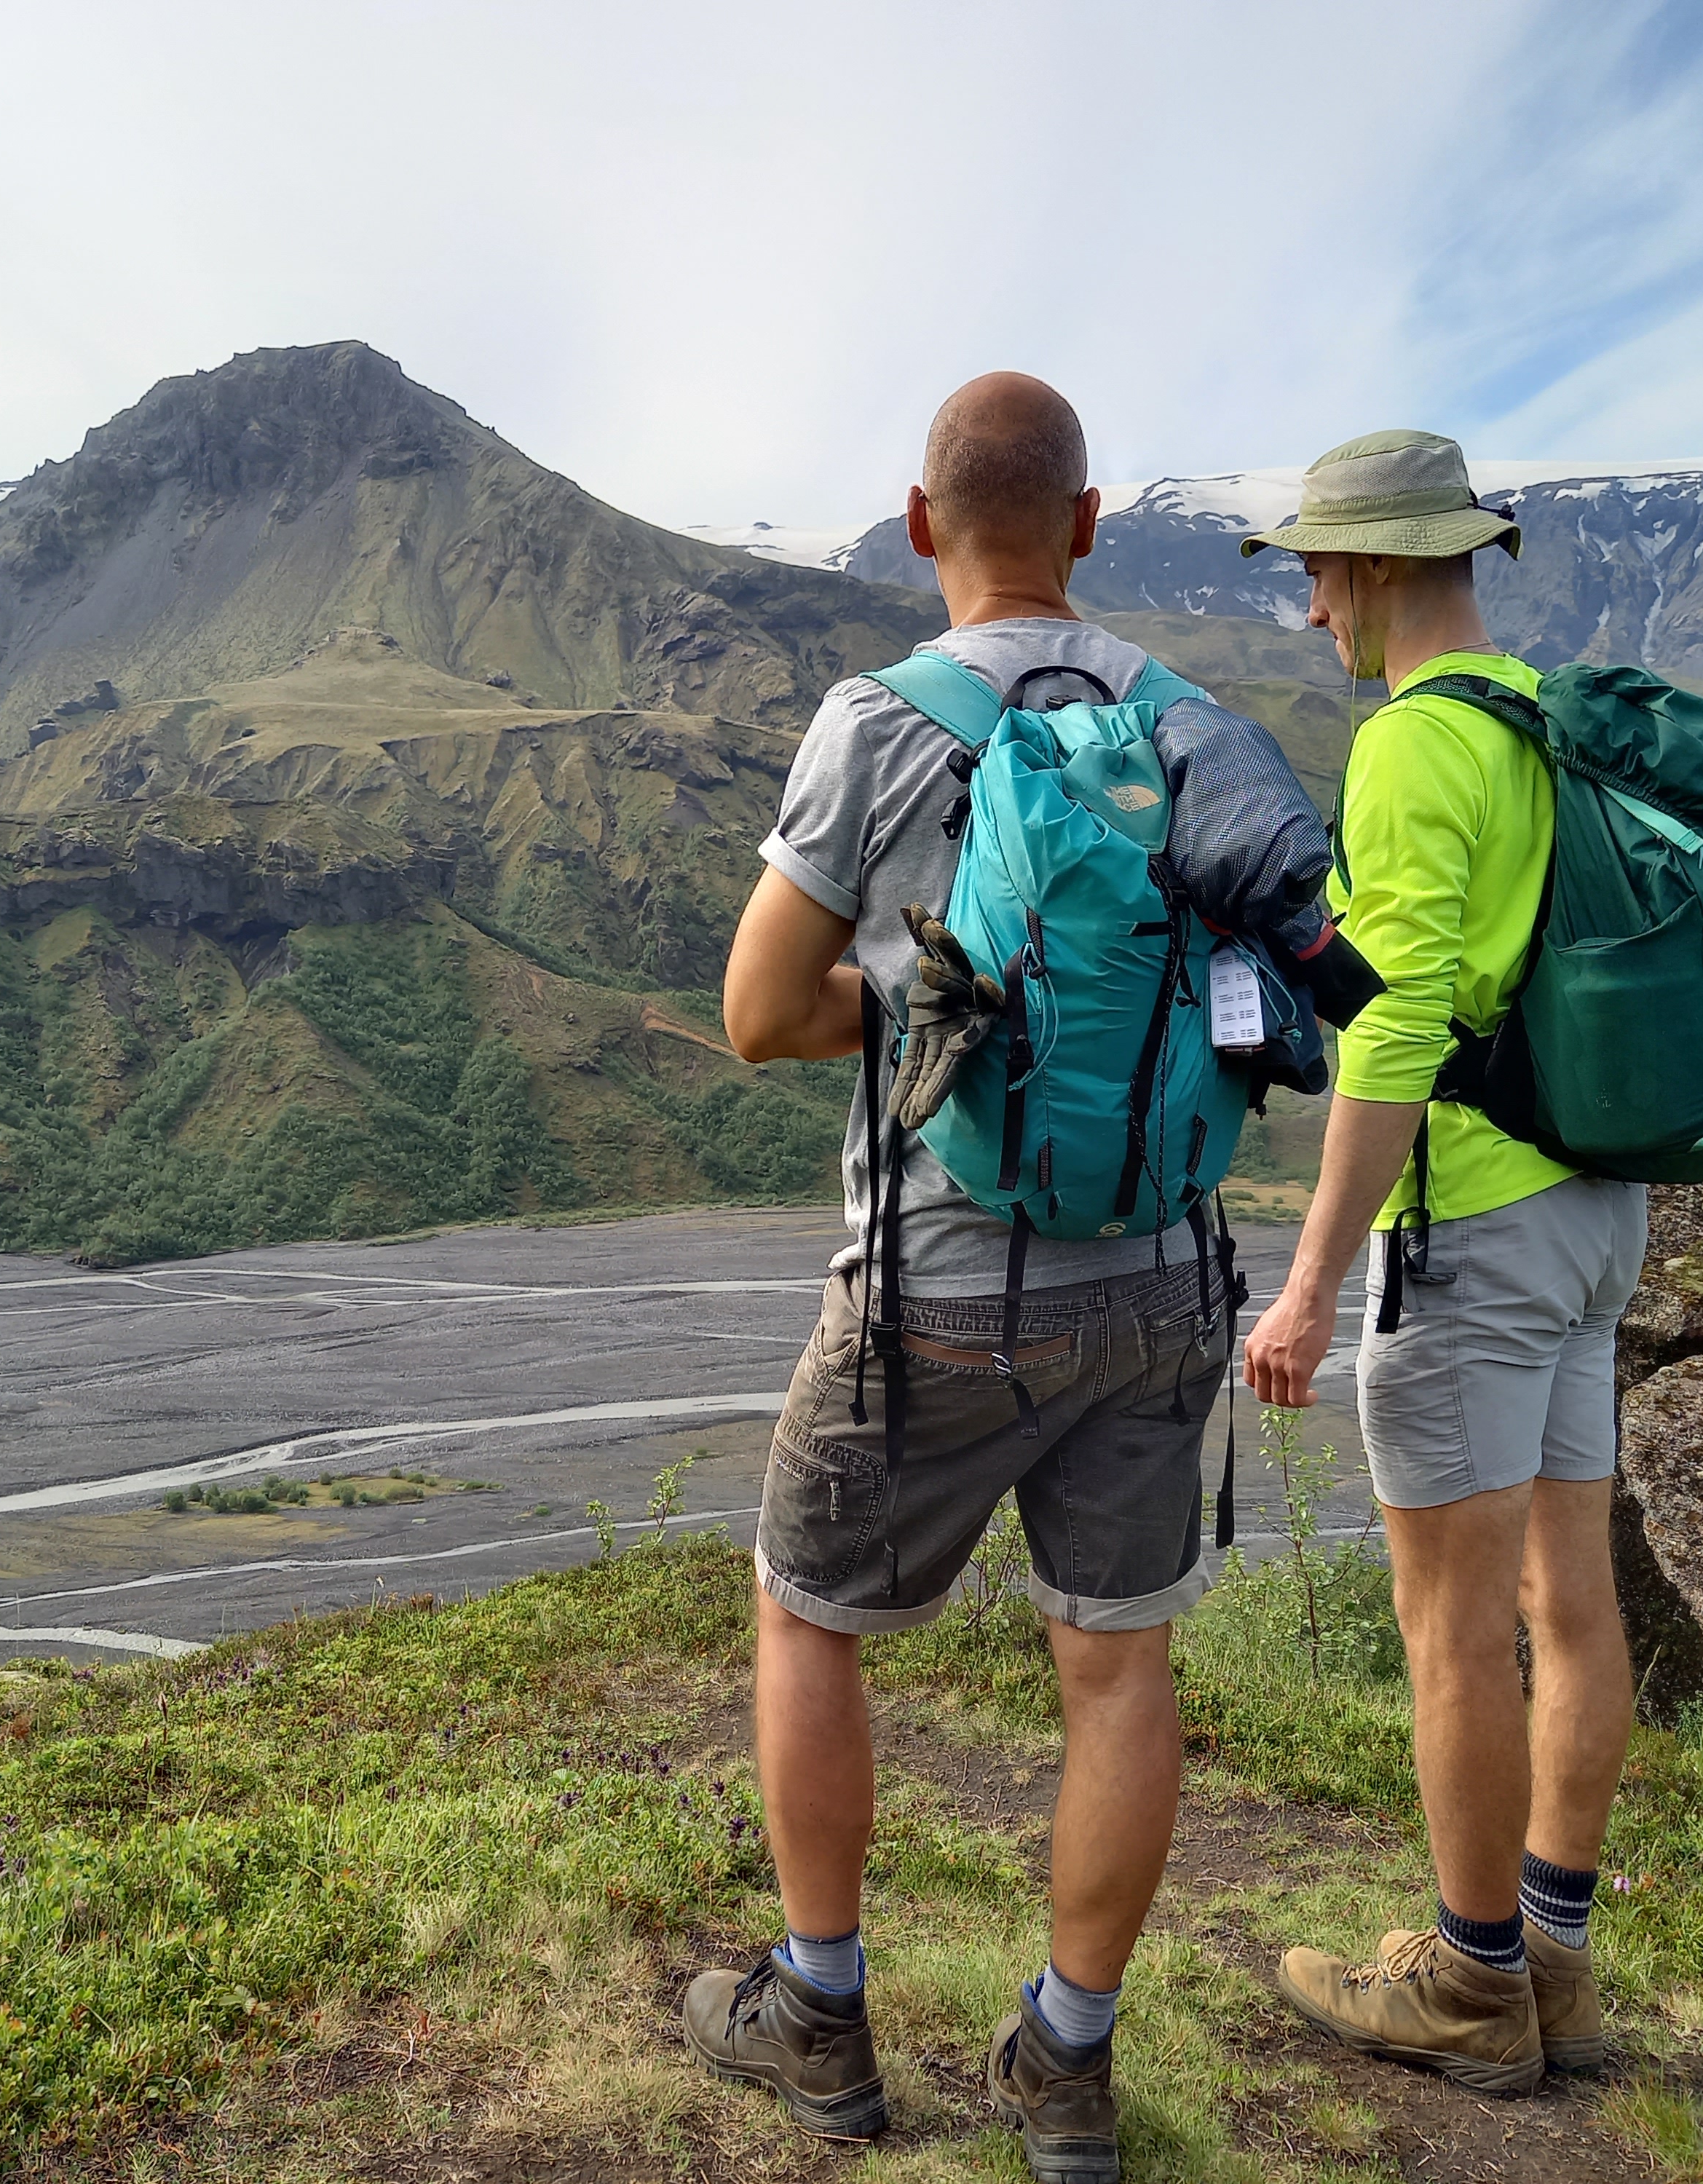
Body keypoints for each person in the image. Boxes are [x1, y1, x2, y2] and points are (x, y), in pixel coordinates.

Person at [683, 372, 1325, 2184]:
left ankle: (818, 2020)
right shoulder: (1191, 722)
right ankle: (1066, 2065)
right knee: (1115, 1674)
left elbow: (757, 1015)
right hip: (1162, 1281)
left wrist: (920, 1008)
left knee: (808, 1618)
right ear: (1089, 525)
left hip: (937, 1293)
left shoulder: (875, 725)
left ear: (918, 526)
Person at [1238, 429, 1645, 2097]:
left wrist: (1308, 1280)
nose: (1309, 608)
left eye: (1315, 572)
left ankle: (1471, 1985)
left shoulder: (1411, 740)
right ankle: (1551, 1964)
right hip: (1592, 1210)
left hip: (1470, 1228)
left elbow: (1396, 1026)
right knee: (1570, 1594)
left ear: (1377, 566)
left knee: (1452, 1624)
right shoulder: (1541, 719)